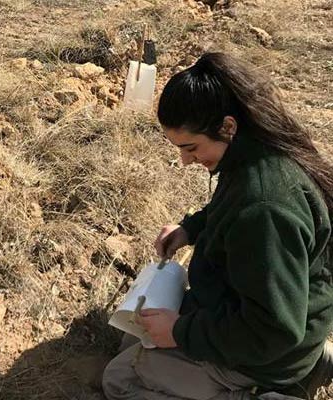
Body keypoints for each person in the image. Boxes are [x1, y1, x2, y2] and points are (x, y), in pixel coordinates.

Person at [102, 52, 333, 399]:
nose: (184, 160)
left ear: (227, 126)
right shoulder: (256, 153)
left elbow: (273, 329)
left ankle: (267, 391)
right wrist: (190, 229)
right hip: (267, 319)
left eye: (191, 147)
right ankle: (313, 362)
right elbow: (229, 210)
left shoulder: (265, 209)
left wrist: (180, 332)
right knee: (135, 332)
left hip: (269, 353)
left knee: (120, 379)